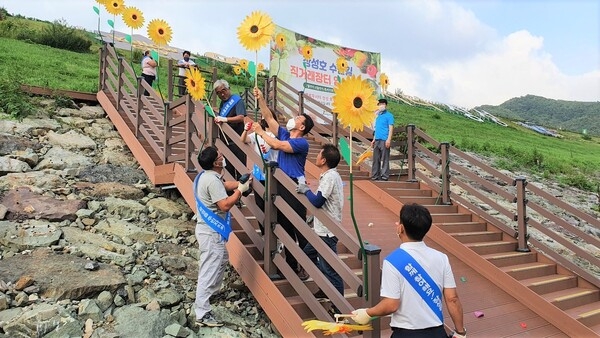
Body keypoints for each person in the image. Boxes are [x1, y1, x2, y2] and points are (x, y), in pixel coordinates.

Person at [351, 203, 466, 338]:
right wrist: (460, 332)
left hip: (406, 333)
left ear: (401, 228)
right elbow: (452, 299)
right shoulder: (441, 258)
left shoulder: (393, 261)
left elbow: (391, 304)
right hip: (437, 332)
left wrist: (367, 313)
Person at [253, 87, 314, 280]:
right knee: (284, 226)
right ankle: (291, 266)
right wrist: (261, 99)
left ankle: (309, 266)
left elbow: (277, 145)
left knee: (298, 227)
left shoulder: (302, 143)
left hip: (294, 186)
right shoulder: (285, 134)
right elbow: (269, 118)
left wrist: (261, 132)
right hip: (281, 184)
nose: (293, 119)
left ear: (302, 127)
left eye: (297, 118)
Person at [193, 146, 252, 327]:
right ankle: (202, 312)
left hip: (208, 230)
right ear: (216, 163)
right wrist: (240, 191)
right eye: (220, 156)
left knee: (221, 260)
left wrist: (240, 183)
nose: (222, 157)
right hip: (210, 233)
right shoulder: (212, 181)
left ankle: (209, 294)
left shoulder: (206, 176)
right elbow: (225, 205)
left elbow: (223, 186)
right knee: (209, 268)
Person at [296, 144, 344, 307]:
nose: (315, 157)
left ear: (323, 160)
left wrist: (306, 190)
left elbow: (318, 201)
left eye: (318, 155)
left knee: (330, 268)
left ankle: (340, 308)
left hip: (327, 232)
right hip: (321, 229)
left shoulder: (330, 177)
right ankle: (325, 287)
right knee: (306, 255)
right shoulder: (330, 175)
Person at [240, 118, 279, 234]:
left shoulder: (277, 135)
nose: (264, 118)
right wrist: (245, 130)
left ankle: (274, 233)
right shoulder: (256, 134)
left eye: (267, 116)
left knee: (272, 205)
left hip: (272, 173)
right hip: (258, 174)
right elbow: (243, 139)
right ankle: (264, 232)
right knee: (259, 204)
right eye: (262, 116)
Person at [213, 79, 247, 179]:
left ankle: (242, 191)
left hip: (237, 141)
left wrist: (225, 119)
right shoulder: (222, 104)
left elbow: (241, 117)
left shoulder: (237, 100)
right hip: (226, 141)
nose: (222, 94)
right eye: (218, 93)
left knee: (240, 169)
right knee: (229, 170)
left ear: (228, 88)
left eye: (223, 91)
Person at [371, 98, 394, 181]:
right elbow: (376, 129)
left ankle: (384, 176)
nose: (381, 105)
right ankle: (375, 175)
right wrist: (373, 139)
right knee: (375, 159)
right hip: (377, 139)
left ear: (385, 105)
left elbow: (391, 128)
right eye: (379, 104)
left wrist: (389, 139)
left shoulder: (389, 116)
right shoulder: (378, 116)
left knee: (385, 159)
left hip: (384, 139)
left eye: (382, 104)